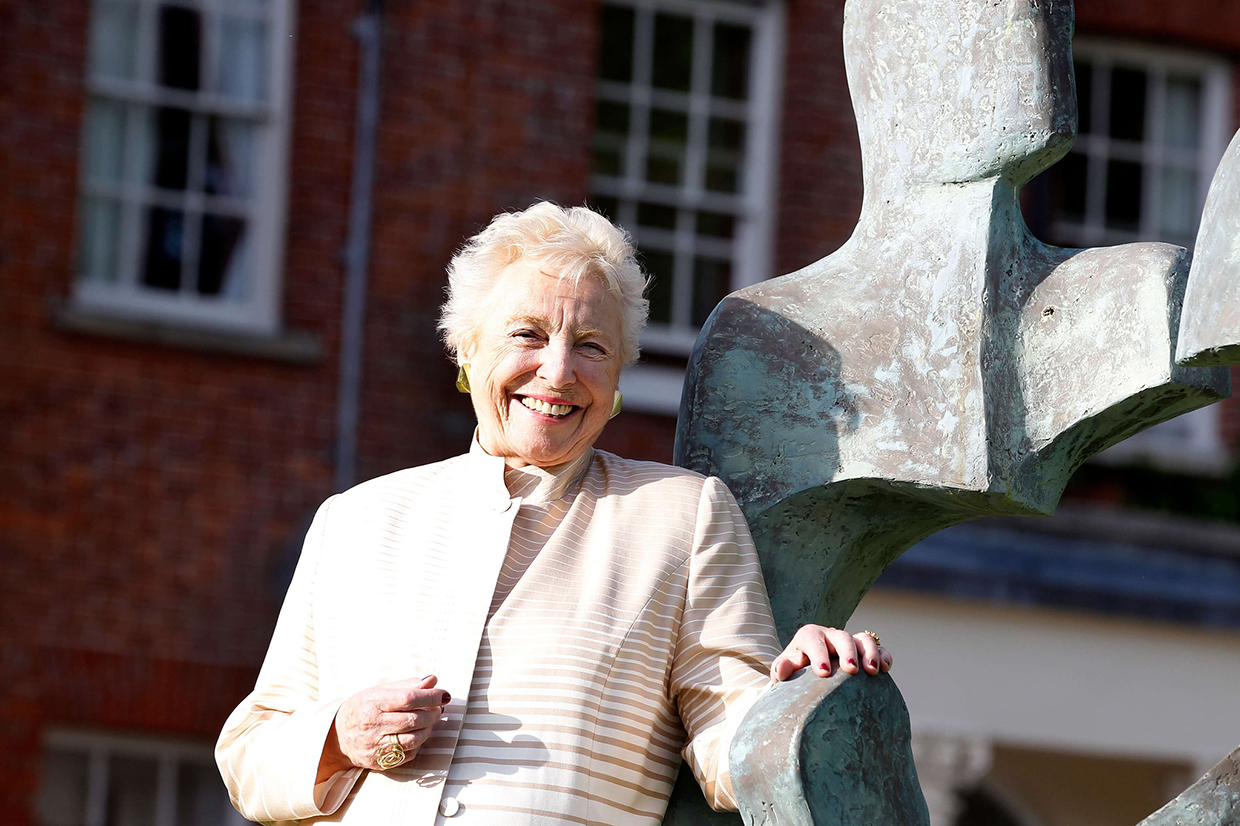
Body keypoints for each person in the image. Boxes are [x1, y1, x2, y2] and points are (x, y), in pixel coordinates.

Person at [216, 202, 892, 825]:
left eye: (592, 346)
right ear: (467, 349)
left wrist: (800, 694)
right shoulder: (357, 520)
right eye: (528, 334)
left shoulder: (681, 517)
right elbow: (248, 757)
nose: (559, 371)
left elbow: (729, 731)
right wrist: (339, 734)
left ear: (620, 375)